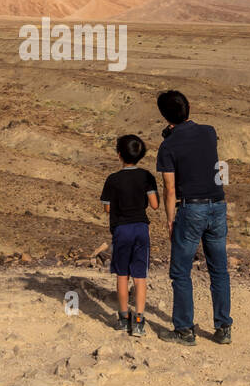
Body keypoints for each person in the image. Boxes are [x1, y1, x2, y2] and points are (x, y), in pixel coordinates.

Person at [156, 89, 231, 346]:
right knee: (219, 270)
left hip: (191, 209)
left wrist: (169, 219)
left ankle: (184, 330)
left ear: (164, 115)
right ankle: (223, 328)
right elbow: (198, 147)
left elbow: (169, 188)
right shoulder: (209, 132)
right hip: (218, 206)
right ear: (188, 108)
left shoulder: (167, 146)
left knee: (180, 272)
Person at [99, 134, 158, 337]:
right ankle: (140, 320)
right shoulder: (146, 176)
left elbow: (107, 208)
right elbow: (155, 204)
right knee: (140, 277)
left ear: (119, 155)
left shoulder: (113, 179)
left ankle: (124, 318)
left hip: (121, 229)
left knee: (122, 275)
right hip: (141, 228)